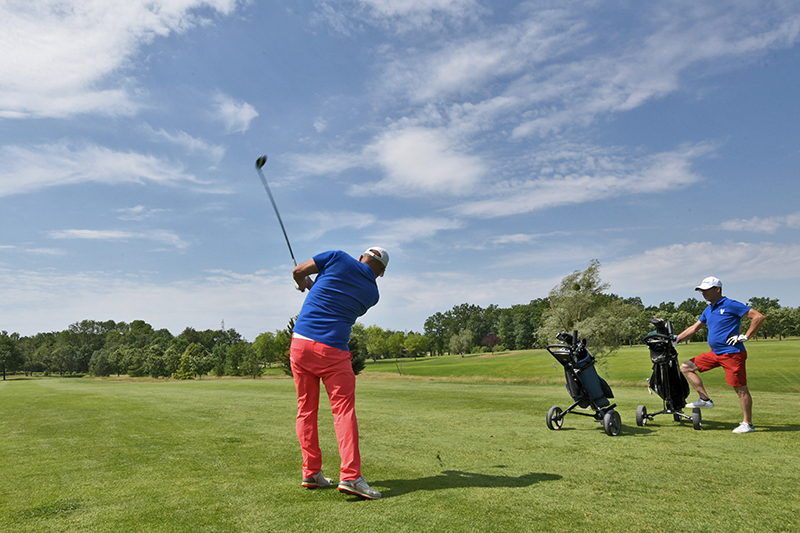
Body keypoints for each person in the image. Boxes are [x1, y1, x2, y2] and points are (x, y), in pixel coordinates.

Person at [289, 247, 389, 499]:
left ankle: (311, 472)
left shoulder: (337, 257)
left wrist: (303, 283)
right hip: (332, 351)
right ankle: (351, 476)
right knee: (343, 411)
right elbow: (340, 300)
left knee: (306, 409)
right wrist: (311, 285)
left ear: (361, 257)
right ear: (381, 272)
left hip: (300, 343)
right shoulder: (372, 294)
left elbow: (298, 271)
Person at [675, 276, 765, 434]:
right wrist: (677, 340)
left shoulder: (730, 304)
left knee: (740, 388)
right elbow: (695, 328)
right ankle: (705, 399)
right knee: (686, 367)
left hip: (732, 354)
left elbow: (758, 316)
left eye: (706, 290)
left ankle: (748, 423)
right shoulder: (708, 309)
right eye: (702, 291)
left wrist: (746, 336)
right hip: (715, 353)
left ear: (718, 289)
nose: (703, 293)